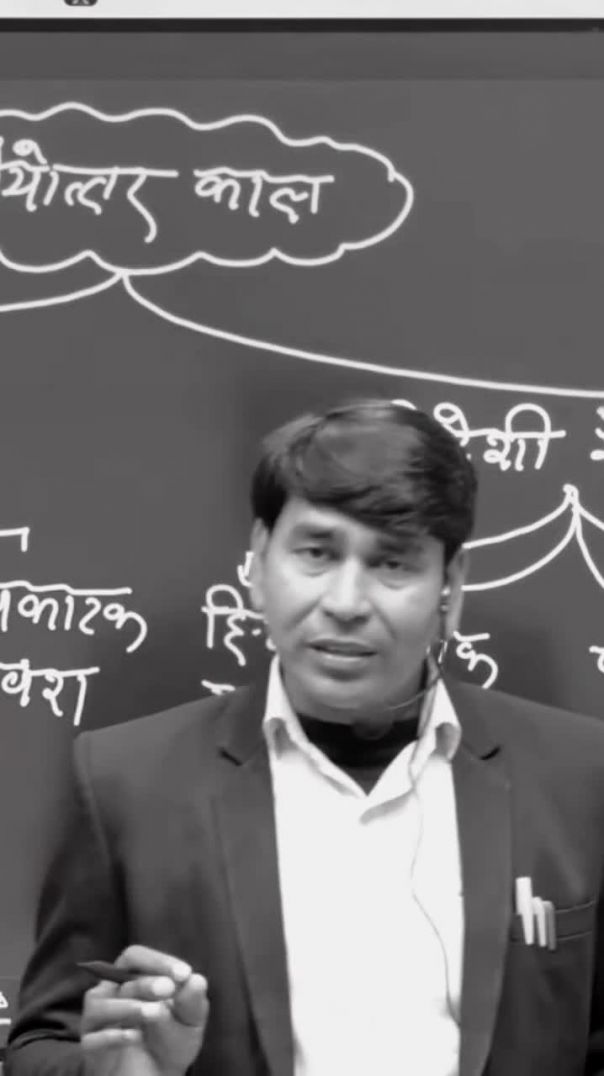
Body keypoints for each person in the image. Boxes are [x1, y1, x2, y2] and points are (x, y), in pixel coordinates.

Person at [5, 398, 604, 1076]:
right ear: (260, 564)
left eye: (393, 563)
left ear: (451, 587)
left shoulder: (580, 779)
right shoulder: (124, 785)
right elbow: (39, 1047)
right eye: (316, 553)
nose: (346, 603)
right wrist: (115, 1072)